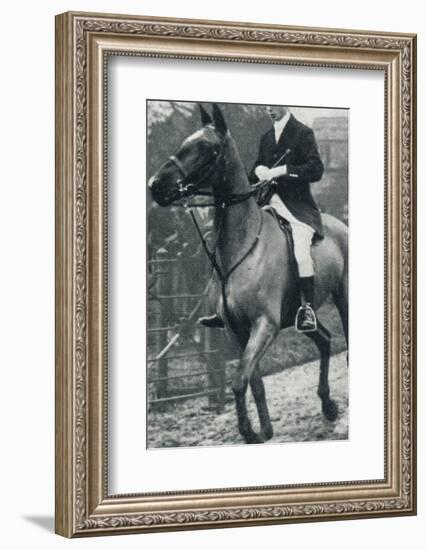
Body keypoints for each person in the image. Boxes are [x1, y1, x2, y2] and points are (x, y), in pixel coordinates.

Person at [200, 105, 324, 333]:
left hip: (297, 207)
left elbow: (316, 169)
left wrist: (283, 171)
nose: (269, 110)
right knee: (226, 240)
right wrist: (258, 170)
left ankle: (307, 310)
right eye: (267, 107)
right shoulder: (267, 137)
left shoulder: (303, 133)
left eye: (273, 106)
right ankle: (223, 307)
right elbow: (257, 165)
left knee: (301, 251)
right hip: (266, 202)